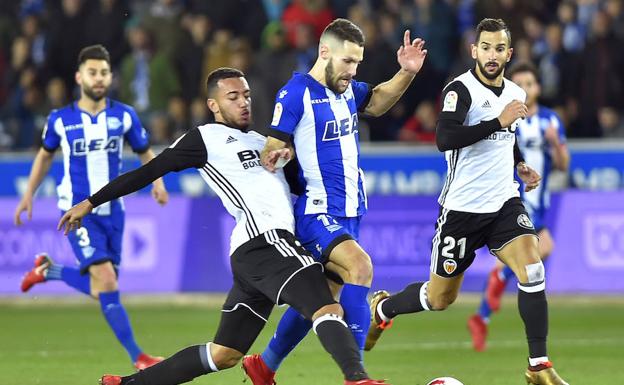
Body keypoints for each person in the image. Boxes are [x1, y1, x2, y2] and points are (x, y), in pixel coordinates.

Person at [59, 67, 388, 385]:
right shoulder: (205, 138)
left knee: (224, 354)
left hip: (253, 253)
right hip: (267, 241)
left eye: (246, 95)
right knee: (327, 305)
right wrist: (91, 202)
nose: (244, 102)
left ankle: (129, 384)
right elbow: (149, 170)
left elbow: (303, 184)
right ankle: (357, 379)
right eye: (233, 97)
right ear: (213, 105)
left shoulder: (265, 142)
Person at [364, 19, 569, 385]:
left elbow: (507, 136)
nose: (492, 55)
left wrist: (519, 162)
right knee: (439, 298)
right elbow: (445, 137)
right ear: (474, 50)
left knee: (533, 269)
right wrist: (497, 120)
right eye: (485, 47)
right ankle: (383, 308)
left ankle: (538, 365)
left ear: (509, 53)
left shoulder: (514, 94)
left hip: (504, 203)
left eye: (499, 48)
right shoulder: (461, 89)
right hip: (461, 210)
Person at [241, 18, 427, 384]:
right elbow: (271, 149)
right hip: (316, 210)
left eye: (357, 62)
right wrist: (279, 154)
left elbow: (375, 102)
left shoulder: (346, 92)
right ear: (324, 52)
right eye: (347, 61)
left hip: (351, 211)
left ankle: (264, 365)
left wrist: (406, 72)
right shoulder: (295, 93)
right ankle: (355, 375)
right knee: (360, 267)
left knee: (326, 294)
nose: (352, 70)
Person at [14, 44, 168, 370]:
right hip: (77, 213)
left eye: (103, 73)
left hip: (115, 212)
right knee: (107, 281)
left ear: (111, 77)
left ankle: (49, 270)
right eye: (92, 72)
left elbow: (144, 150)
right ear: (79, 76)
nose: (98, 79)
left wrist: (157, 181)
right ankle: (139, 357)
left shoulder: (124, 115)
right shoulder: (60, 120)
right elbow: (44, 155)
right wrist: (29, 192)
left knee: (103, 289)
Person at [468, 61, 570, 351]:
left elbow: (564, 165)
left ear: (537, 88)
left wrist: (556, 145)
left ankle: (483, 315)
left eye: (530, 83)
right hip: (513, 197)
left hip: (540, 199)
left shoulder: (550, 120)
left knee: (538, 254)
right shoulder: (507, 117)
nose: (525, 88)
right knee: (542, 249)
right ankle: (498, 282)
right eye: (520, 83)